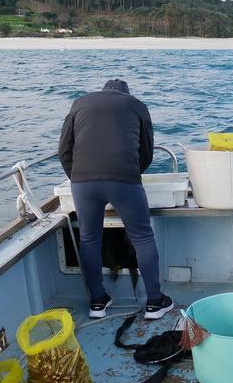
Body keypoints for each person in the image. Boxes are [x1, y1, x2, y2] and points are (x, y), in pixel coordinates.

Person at [58, 79, 173, 320]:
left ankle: (97, 301)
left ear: (102, 91)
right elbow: (147, 152)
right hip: (124, 180)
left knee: (89, 239)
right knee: (142, 237)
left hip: (83, 182)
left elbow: (64, 149)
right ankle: (154, 302)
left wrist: (78, 178)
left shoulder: (79, 104)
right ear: (126, 94)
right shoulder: (137, 106)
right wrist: (130, 174)